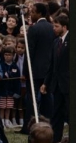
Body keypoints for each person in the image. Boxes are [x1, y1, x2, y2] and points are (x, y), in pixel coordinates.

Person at [19, 2, 56, 135]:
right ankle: (48, 124)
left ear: (40, 13)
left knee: (31, 98)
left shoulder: (34, 29)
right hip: (48, 70)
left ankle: (29, 127)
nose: (31, 14)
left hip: (34, 69)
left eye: (33, 12)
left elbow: (29, 52)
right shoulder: (52, 28)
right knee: (47, 98)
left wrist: (25, 71)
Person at [40, 15, 69, 143]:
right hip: (57, 86)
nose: (53, 28)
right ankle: (55, 139)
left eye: (56, 26)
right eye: (53, 25)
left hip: (69, 86)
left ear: (64, 27)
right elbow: (51, 65)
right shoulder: (56, 42)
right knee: (56, 115)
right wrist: (46, 83)